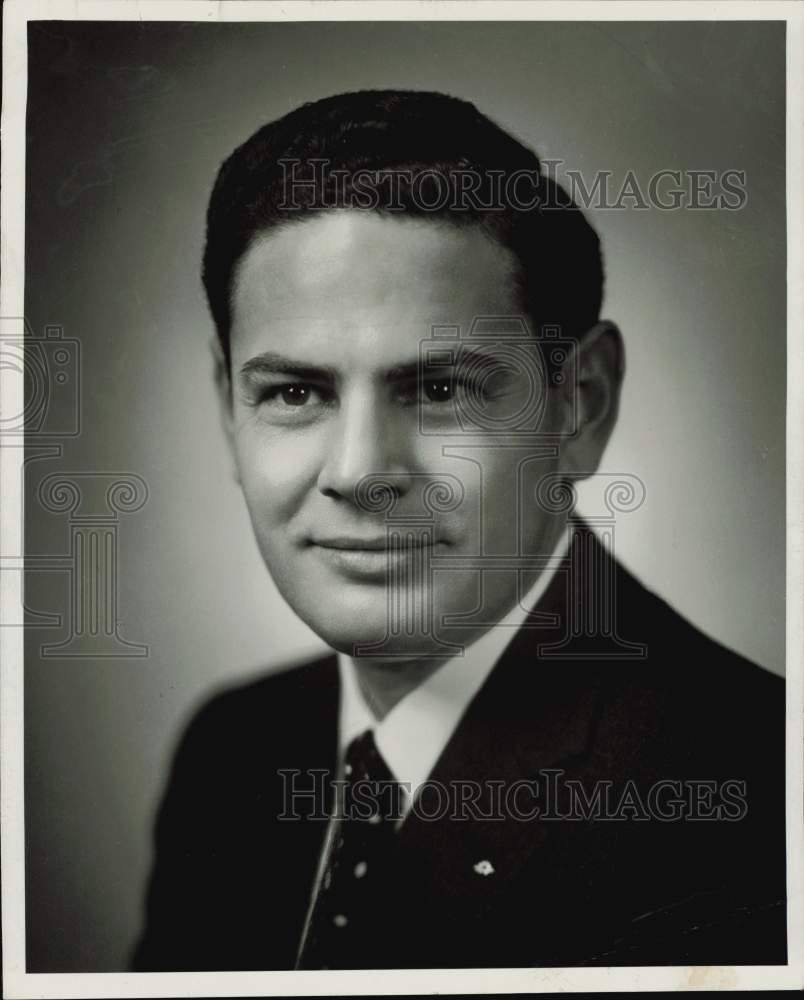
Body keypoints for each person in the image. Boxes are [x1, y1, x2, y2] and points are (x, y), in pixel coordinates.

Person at [131, 90, 786, 970]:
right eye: (296, 392)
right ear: (226, 407)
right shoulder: (232, 752)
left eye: (439, 389)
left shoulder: (754, 800)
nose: (359, 471)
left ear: (580, 406)